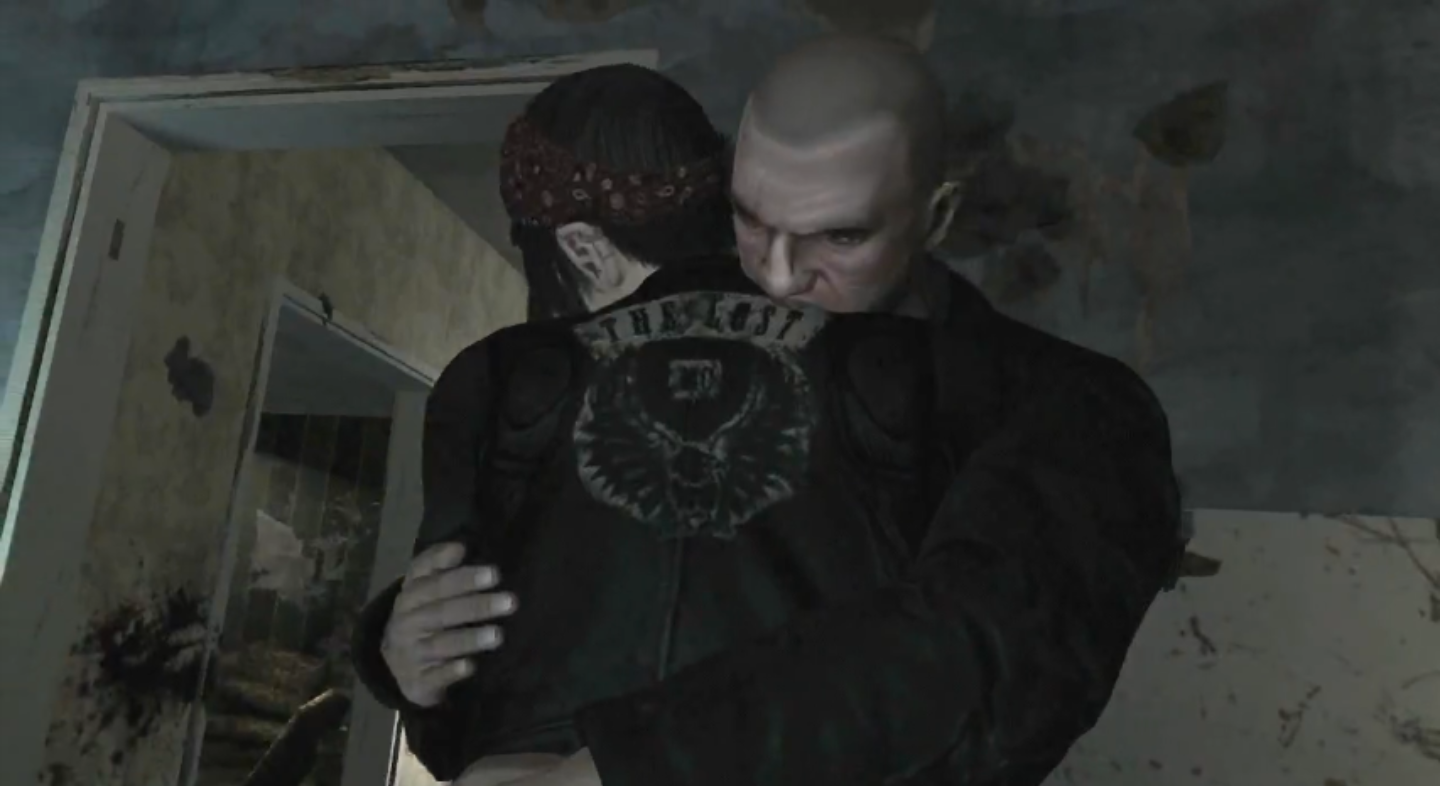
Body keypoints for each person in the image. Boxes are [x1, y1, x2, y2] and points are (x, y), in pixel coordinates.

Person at [356, 37, 1184, 786]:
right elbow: (491, 658)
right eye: (751, 220)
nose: (779, 275)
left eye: (840, 237)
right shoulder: (520, 376)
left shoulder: (1063, 403)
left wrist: (617, 770)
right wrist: (403, 653)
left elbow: (979, 646)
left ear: (934, 215)